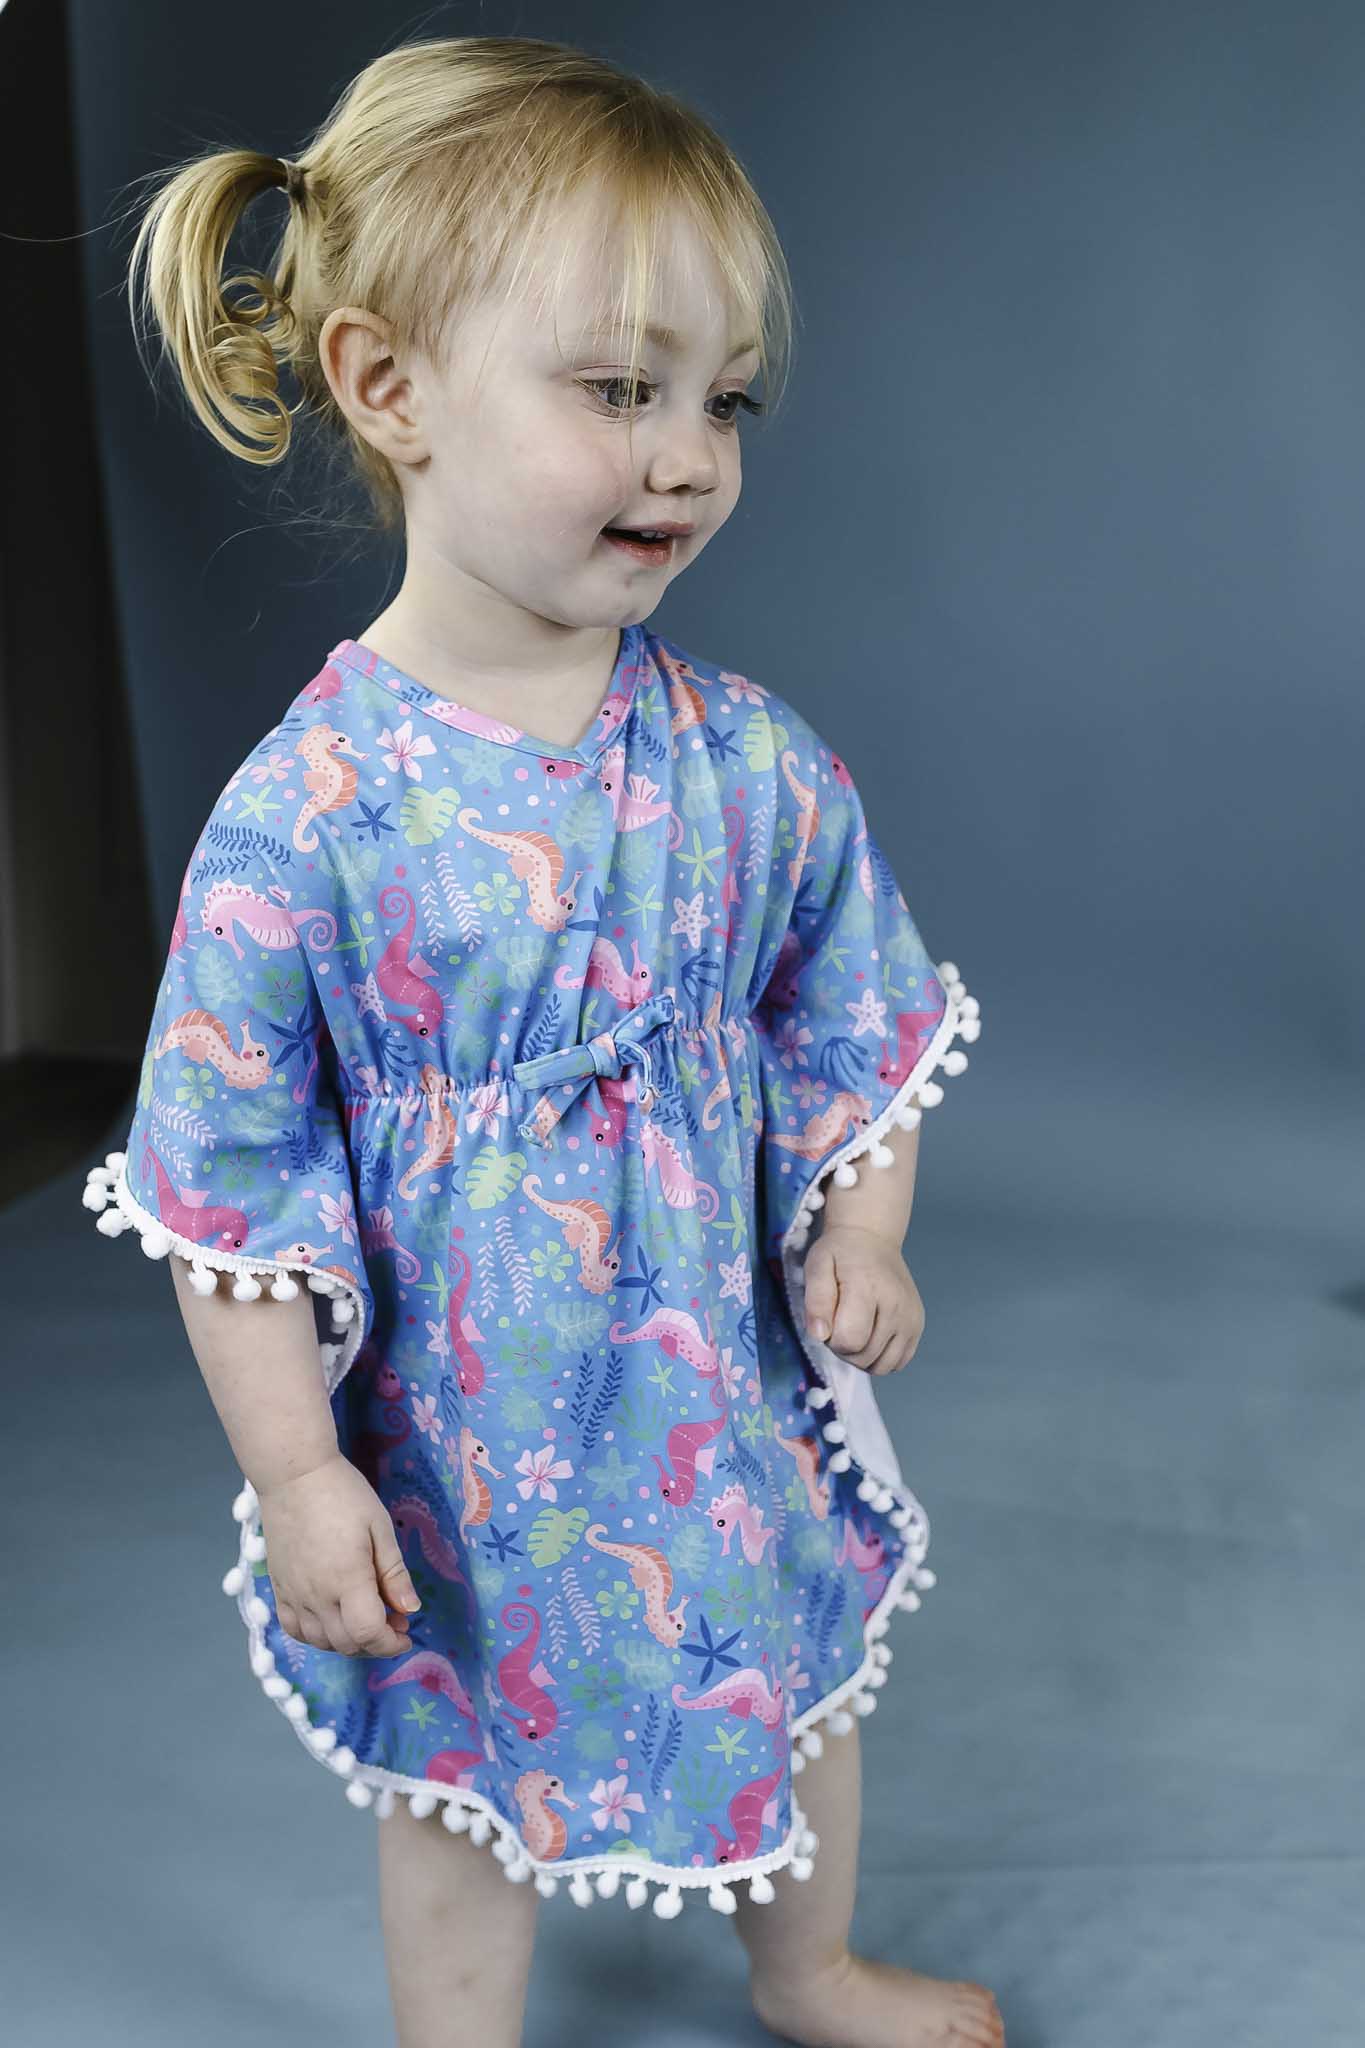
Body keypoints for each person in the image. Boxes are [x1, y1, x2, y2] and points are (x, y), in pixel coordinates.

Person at [82, 33, 995, 2048]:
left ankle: (807, 1970)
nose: (686, 456)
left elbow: (853, 1012)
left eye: (721, 399)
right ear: (387, 387)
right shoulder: (306, 820)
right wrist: (295, 1472)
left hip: (717, 1405)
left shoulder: (747, 763)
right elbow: (225, 1193)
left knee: (796, 1680)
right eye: (615, 390)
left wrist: (862, 1227)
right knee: (458, 1778)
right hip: (466, 1449)